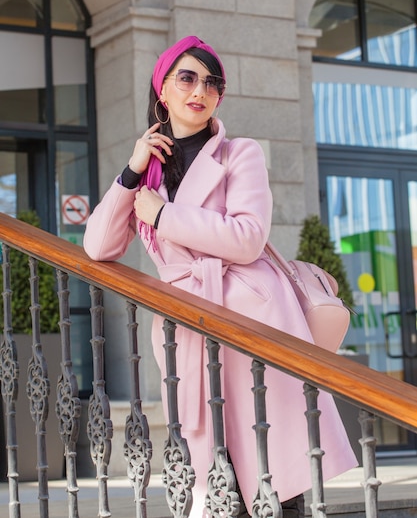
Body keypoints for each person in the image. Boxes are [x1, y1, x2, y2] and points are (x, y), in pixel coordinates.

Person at [83, 36, 357, 518]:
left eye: (212, 82)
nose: (200, 90)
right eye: (187, 78)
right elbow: (98, 247)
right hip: (188, 324)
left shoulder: (239, 153)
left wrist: (164, 216)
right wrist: (131, 171)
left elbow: (248, 238)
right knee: (213, 474)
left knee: (271, 469)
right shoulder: (147, 172)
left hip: (250, 316)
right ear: (162, 90)